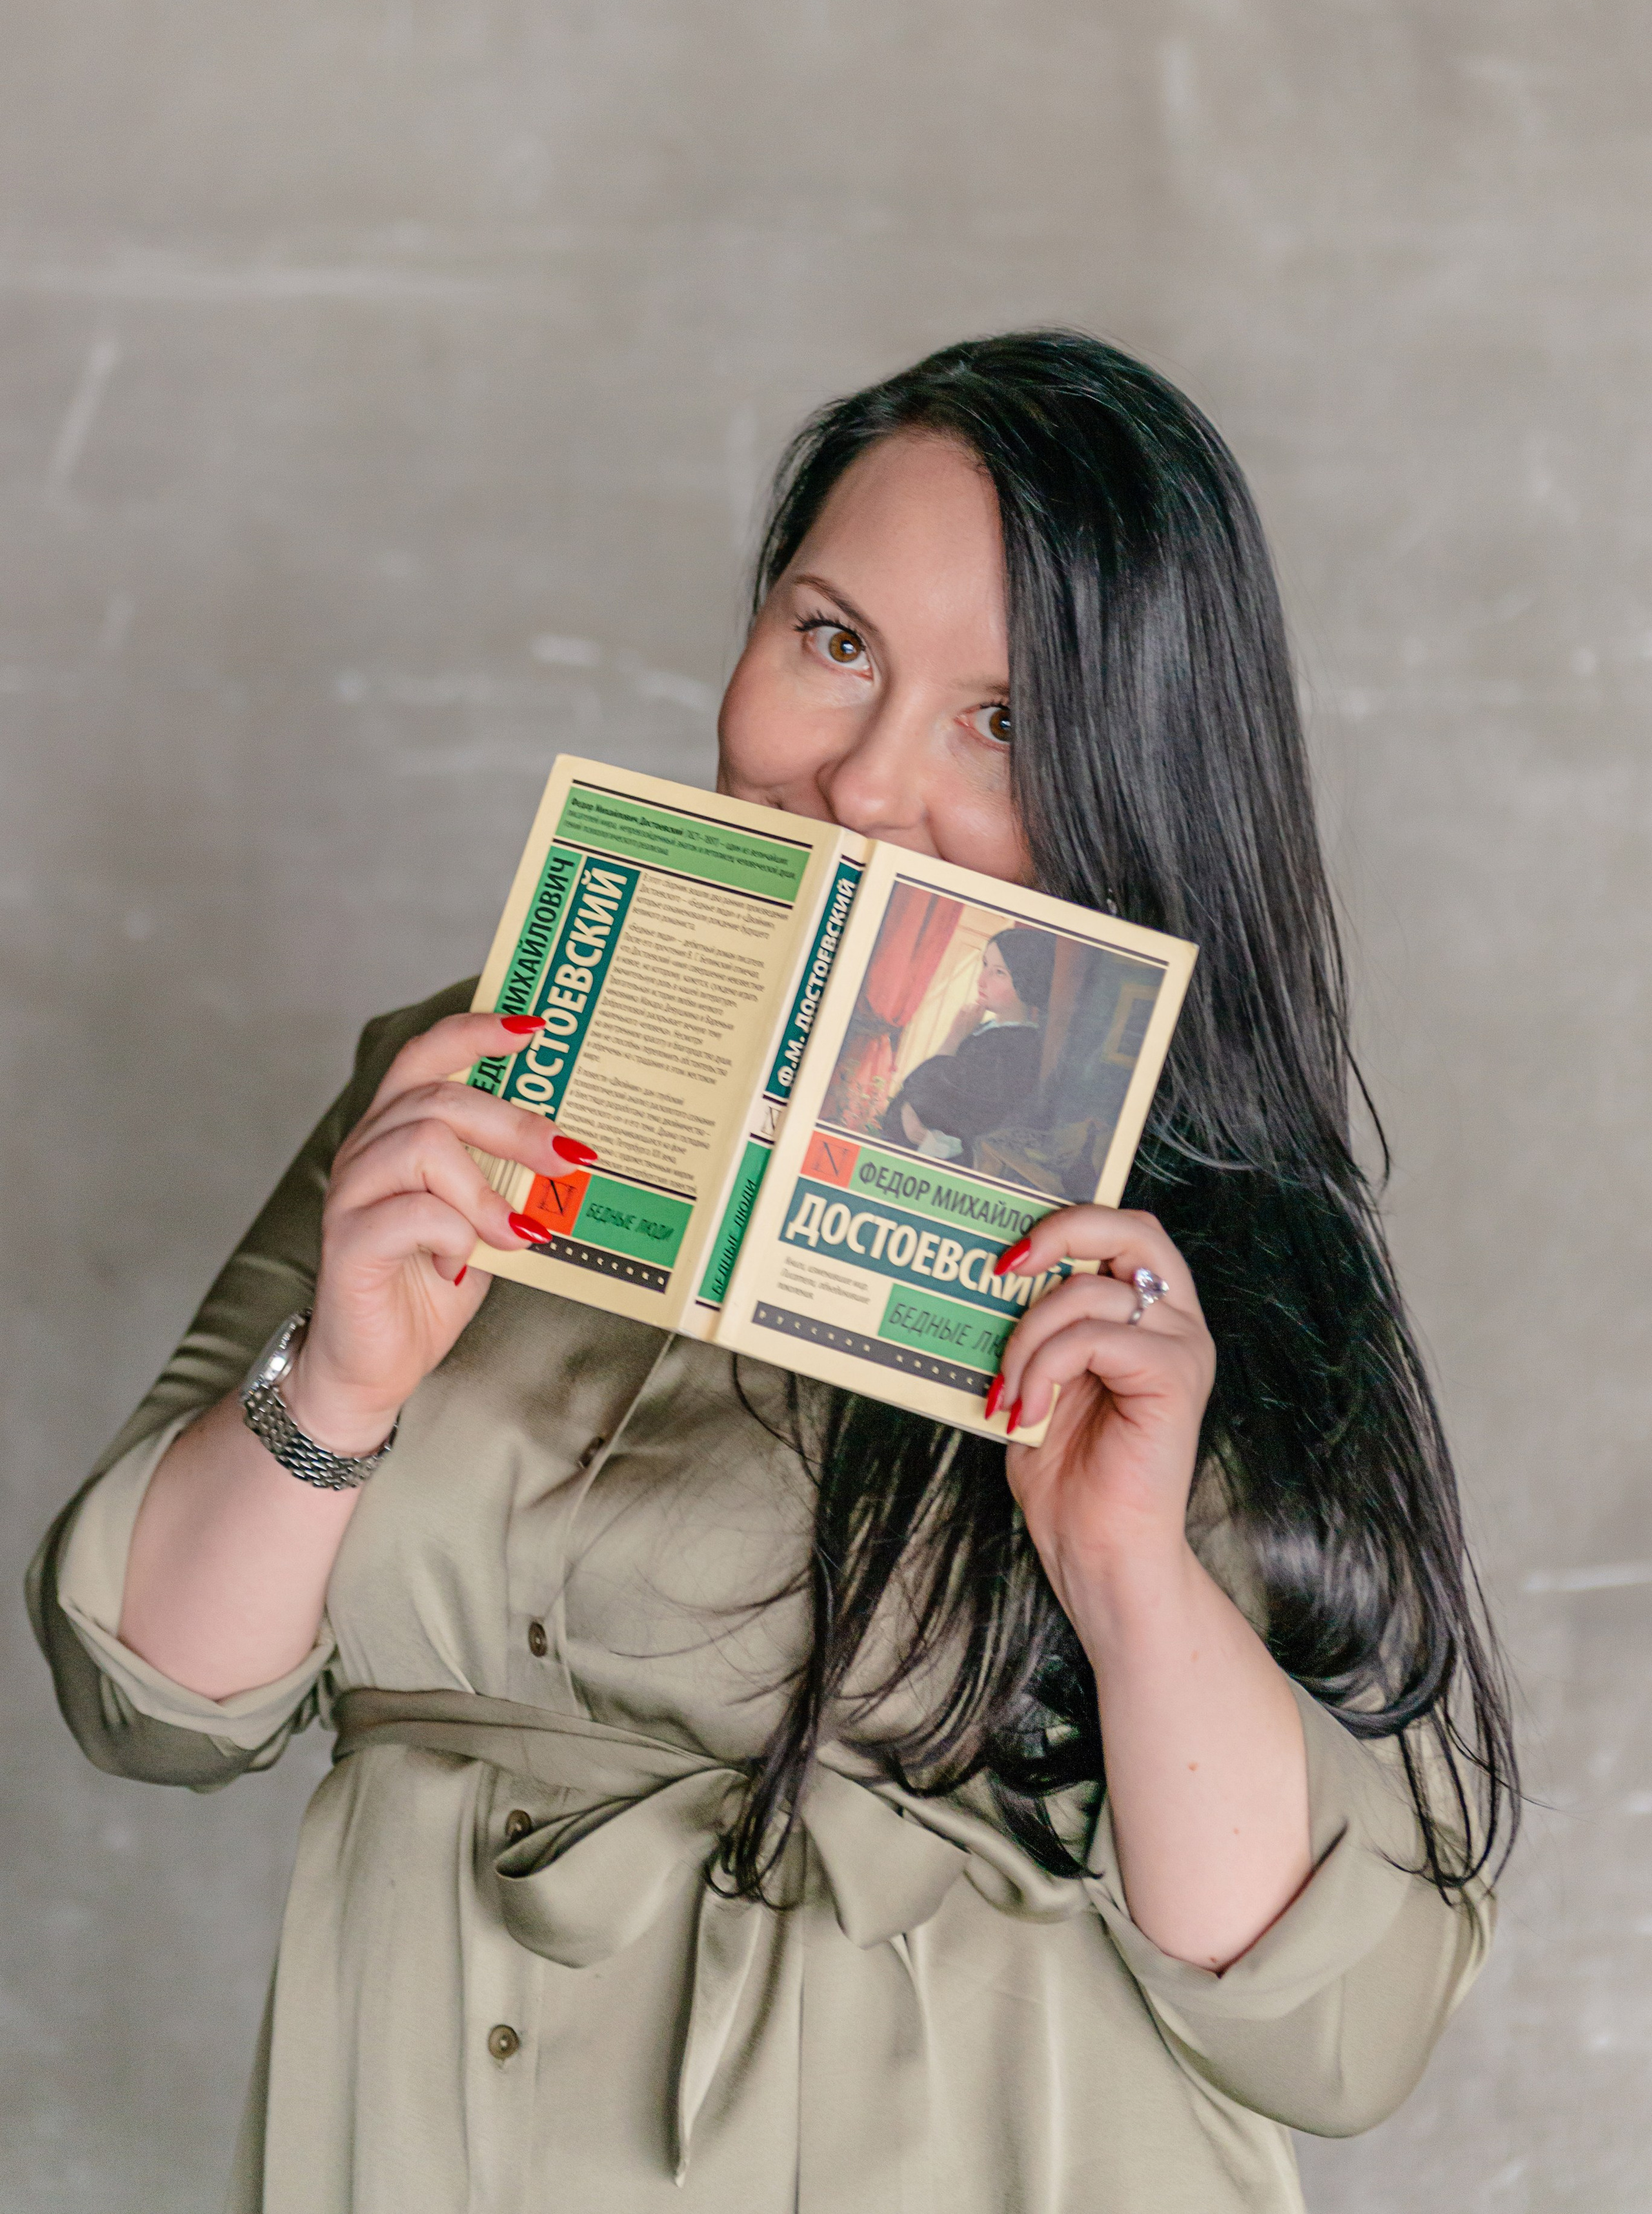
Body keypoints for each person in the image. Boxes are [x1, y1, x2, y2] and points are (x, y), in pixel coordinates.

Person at [29, 331, 1516, 2214]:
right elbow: (145, 1699)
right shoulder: (458, 1082)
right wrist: (340, 1387)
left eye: (1003, 718)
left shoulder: (1184, 1267)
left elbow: (1336, 2025)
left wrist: (1123, 1561)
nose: (866, 782)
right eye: (833, 642)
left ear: (1137, 771)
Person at [883, 923, 1054, 1163]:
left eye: (999, 973)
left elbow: (940, 1107)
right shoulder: (985, 1031)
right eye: (985, 965)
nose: (981, 980)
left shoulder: (1017, 1048)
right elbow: (917, 1095)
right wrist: (908, 1109)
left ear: (1027, 982)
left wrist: (953, 1039)